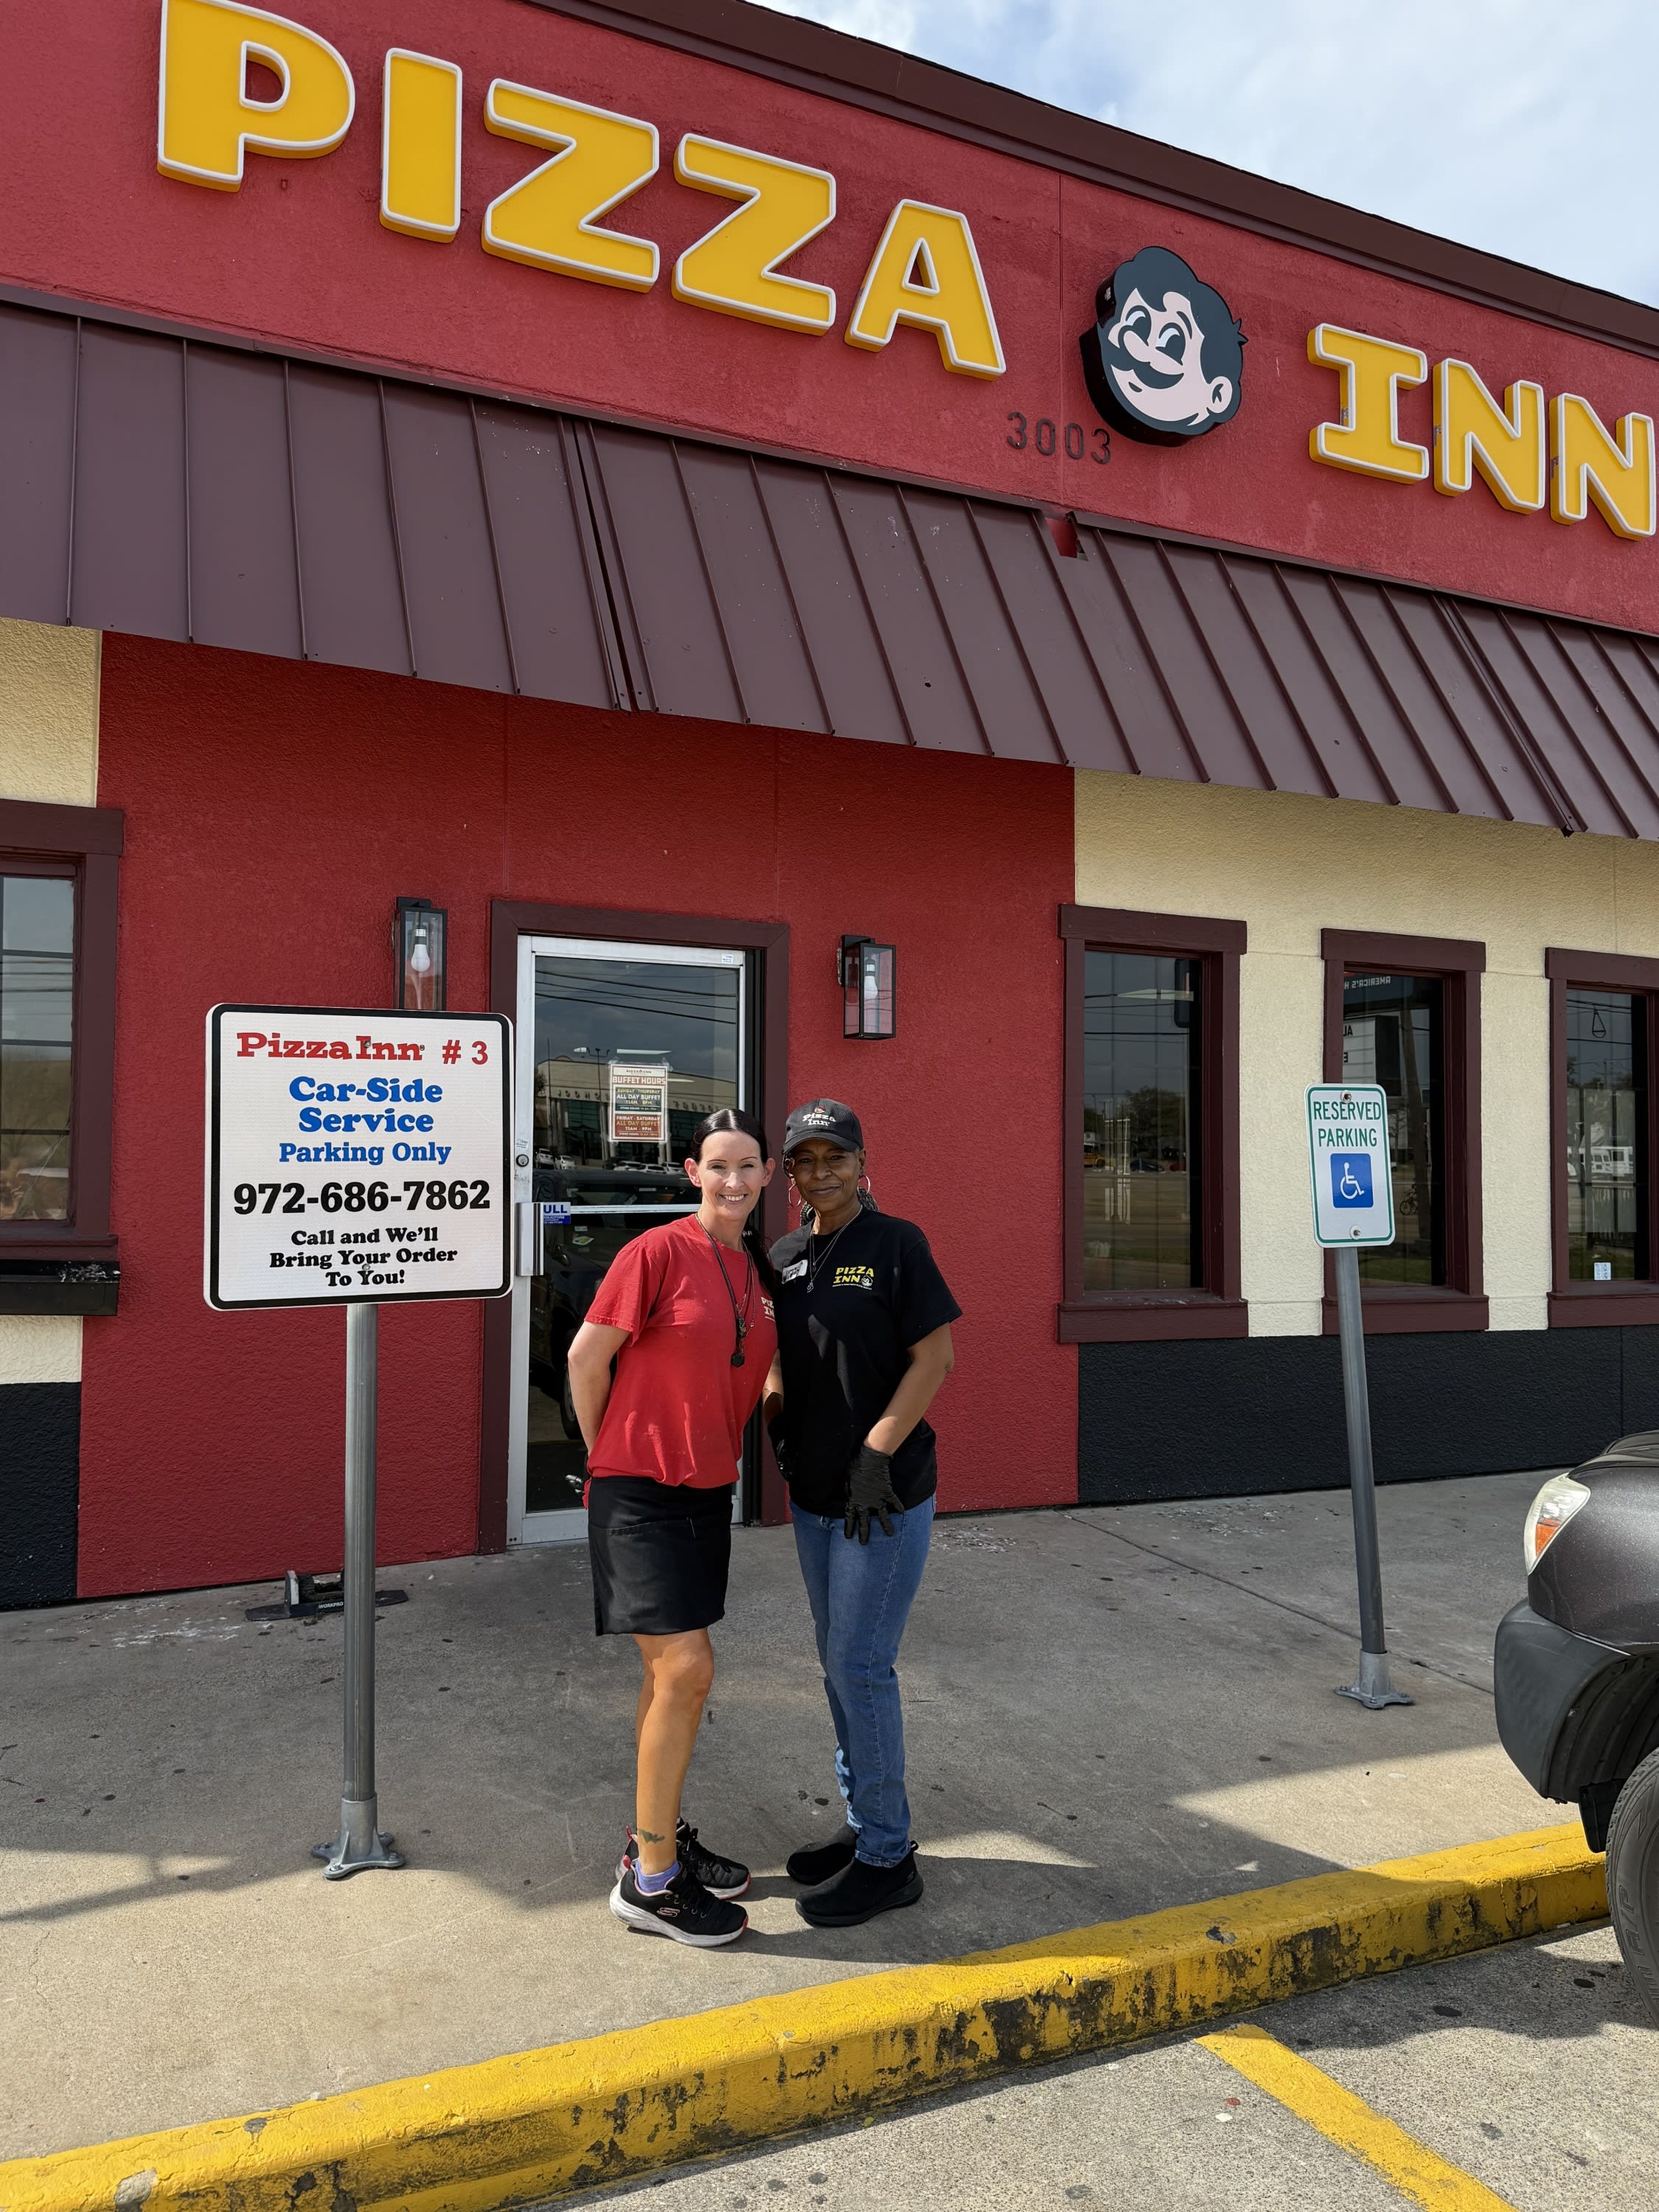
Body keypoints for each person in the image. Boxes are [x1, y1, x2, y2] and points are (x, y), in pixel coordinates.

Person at [566, 1107, 778, 1949]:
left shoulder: (757, 1269)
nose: (733, 1179)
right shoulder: (656, 1252)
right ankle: (651, 1884)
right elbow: (586, 1358)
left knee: (666, 1679)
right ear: (693, 1172)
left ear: (767, 1176)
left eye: (748, 1165)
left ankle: (654, 1835)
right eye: (718, 1165)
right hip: (638, 1491)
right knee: (689, 1668)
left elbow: (760, 1371)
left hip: (706, 1492)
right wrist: (606, 1459)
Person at [764, 1100, 960, 1928]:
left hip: (882, 1498)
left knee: (861, 1665)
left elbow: (935, 1358)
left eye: (834, 1157)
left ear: (861, 1161)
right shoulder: (784, 1254)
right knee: (836, 1663)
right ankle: (864, 1821)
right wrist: (776, 1418)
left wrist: (877, 1453)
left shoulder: (897, 1244)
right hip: (815, 1495)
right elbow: (780, 1353)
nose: (821, 1173)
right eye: (805, 1160)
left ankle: (888, 1857)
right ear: (791, 1175)